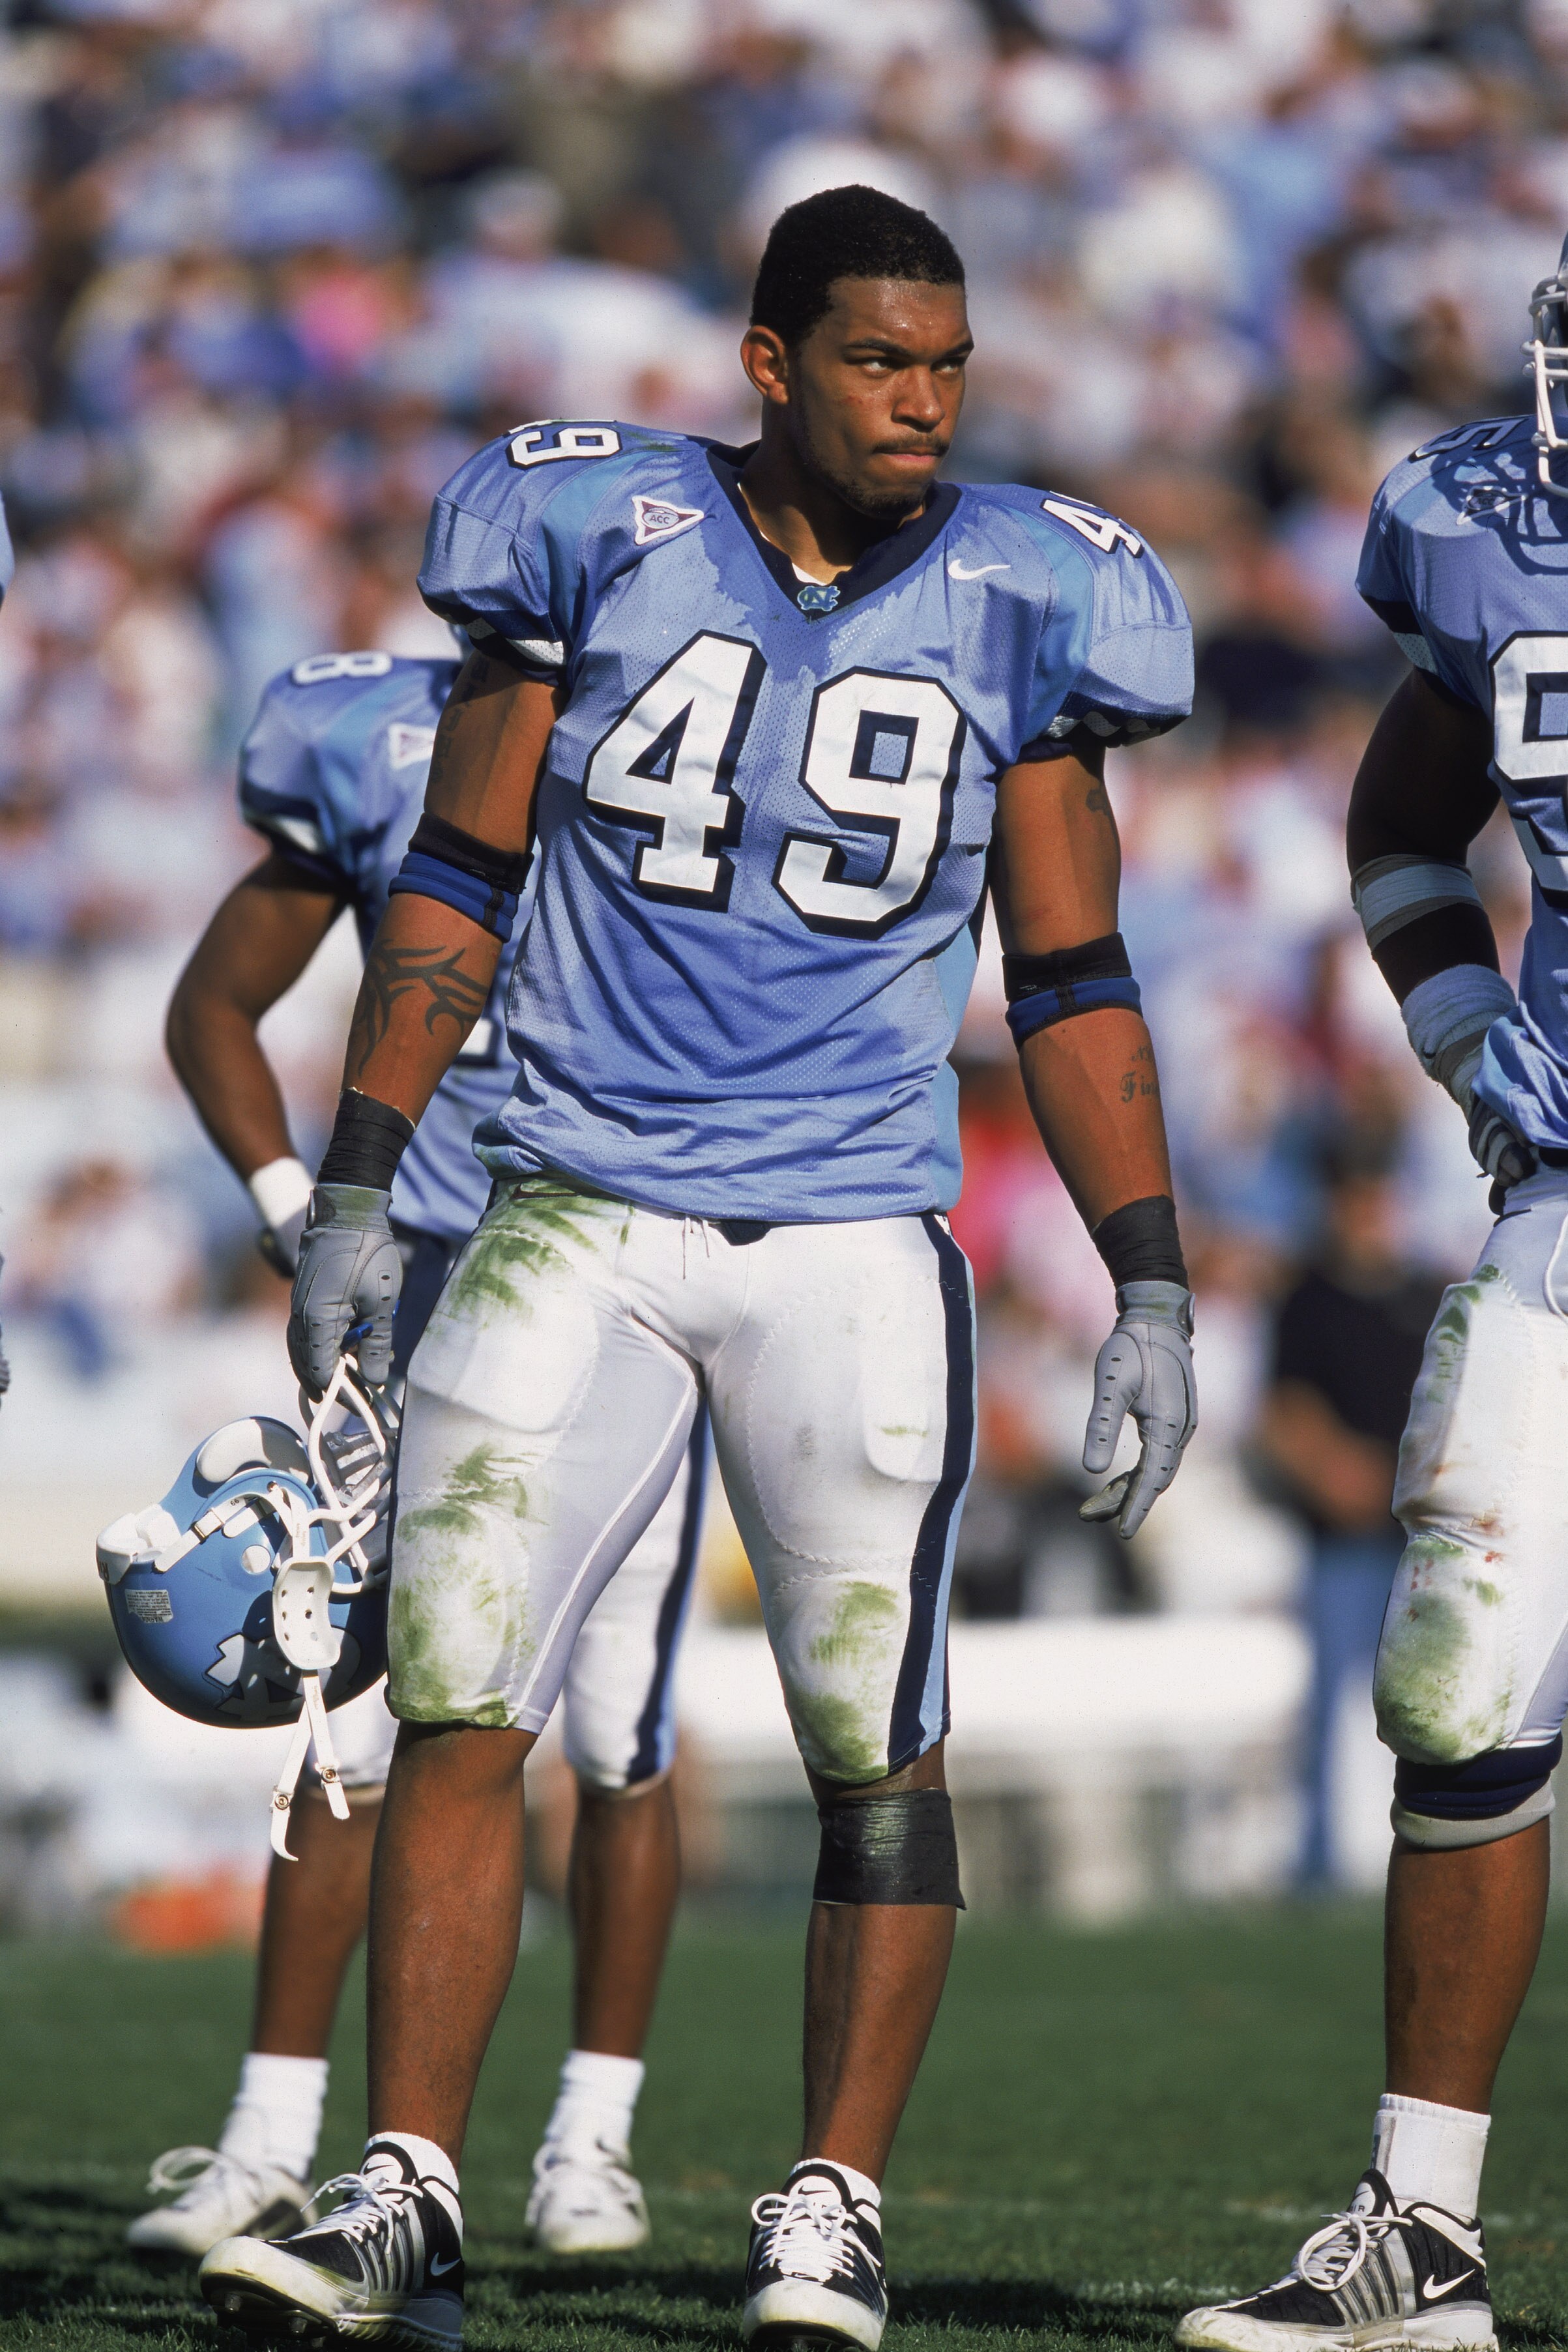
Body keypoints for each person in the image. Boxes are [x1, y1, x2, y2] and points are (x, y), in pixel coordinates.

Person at [199, 184, 1198, 2352]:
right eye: (873, 361)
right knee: (466, 1693)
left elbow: (1074, 968)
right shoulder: (595, 529)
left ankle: (827, 2201)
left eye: (944, 363)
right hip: (572, 1194)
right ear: (769, 364)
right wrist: (362, 1176)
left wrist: (1147, 1273)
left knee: (872, 1738)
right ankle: (408, 2187)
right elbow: (456, 876)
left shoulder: (1037, 590)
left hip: (850, 1226)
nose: (920, 403)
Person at [139, 643, 707, 2261]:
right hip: (426, 1274)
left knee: (617, 1728)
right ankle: (265, 2136)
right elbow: (214, 1003)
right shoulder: (376, 732)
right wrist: (283, 1204)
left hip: (628, 1270)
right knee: (353, 1715)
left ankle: (587, 2135)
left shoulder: (712, 707)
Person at [1179, 236, 1568, 2352]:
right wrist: (1447, 1014)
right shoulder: (1475, 536)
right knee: (1454, 1691)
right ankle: (1415, 2233)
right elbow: (1405, 803)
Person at [1258, 1135, 1444, 1887]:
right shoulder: (1307, 1299)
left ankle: (1436, 1853)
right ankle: (1321, 1863)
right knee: (1329, 1714)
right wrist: (1340, 1470)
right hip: (1339, 1542)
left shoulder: (1429, 1295)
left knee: (1436, 1704)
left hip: (1422, 1543)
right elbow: (1285, 1415)